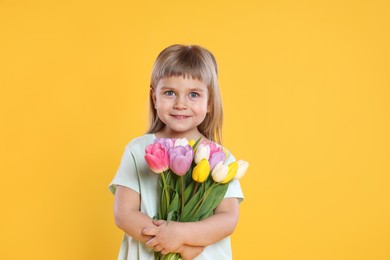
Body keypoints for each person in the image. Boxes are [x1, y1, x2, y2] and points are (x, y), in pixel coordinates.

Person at [109, 44, 244, 260]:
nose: (181, 104)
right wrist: (173, 243)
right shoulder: (137, 150)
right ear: (155, 98)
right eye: (170, 93)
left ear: (209, 102)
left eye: (193, 94)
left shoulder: (220, 158)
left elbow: (227, 219)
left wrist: (181, 236)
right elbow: (124, 214)